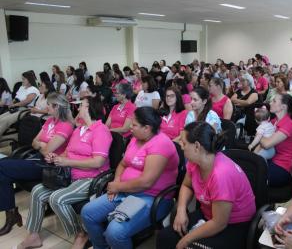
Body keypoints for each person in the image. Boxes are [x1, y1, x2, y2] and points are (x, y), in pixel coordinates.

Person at [16, 95, 112, 249]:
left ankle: (81, 234)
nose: (78, 108)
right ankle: (33, 235)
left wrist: (68, 162)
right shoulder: (79, 129)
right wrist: (57, 157)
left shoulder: (101, 130)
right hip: (69, 174)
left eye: (81, 106)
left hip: (89, 178)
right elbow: (67, 152)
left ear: (89, 109)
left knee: (57, 198)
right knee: (37, 192)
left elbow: (98, 162)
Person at [81, 107, 179, 249]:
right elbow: (122, 163)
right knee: (88, 213)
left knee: (115, 232)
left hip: (150, 197)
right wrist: (117, 180)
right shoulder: (136, 139)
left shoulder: (161, 144)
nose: (130, 128)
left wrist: (118, 187)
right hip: (125, 191)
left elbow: (146, 182)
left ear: (147, 128)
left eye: (134, 125)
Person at [156, 121, 256, 249]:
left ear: (197, 146)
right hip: (208, 214)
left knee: (190, 245)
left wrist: (187, 239)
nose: (180, 145)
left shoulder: (221, 175)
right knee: (165, 237)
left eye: (184, 142)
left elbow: (219, 223)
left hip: (233, 224)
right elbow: (187, 186)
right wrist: (181, 210)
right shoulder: (195, 161)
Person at [0, 93, 74, 236]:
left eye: (49, 104)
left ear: (57, 107)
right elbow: (34, 142)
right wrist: (42, 145)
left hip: (51, 167)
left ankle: (11, 214)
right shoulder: (49, 121)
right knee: (2, 170)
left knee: (2, 167)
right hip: (38, 159)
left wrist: (41, 145)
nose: (46, 107)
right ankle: (11, 214)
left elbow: (46, 150)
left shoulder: (66, 125)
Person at [260, 94, 292, 186]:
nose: (270, 103)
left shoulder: (289, 124)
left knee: (253, 176)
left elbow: (266, 144)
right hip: (270, 160)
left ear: (283, 107)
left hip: (282, 166)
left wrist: (259, 136)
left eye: (274, 101)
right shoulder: (273, 121)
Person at [0, 71, 40, 138]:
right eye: (22, 79)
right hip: (17, 107)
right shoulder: (22, 87)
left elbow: (26, 101)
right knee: (1, 118)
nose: (22, 80)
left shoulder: (33, 89)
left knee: (5, 121)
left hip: (26, 109)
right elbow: (16, 98)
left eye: (24, 79)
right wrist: (12, 103)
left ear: (29, 79)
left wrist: (14, 105)